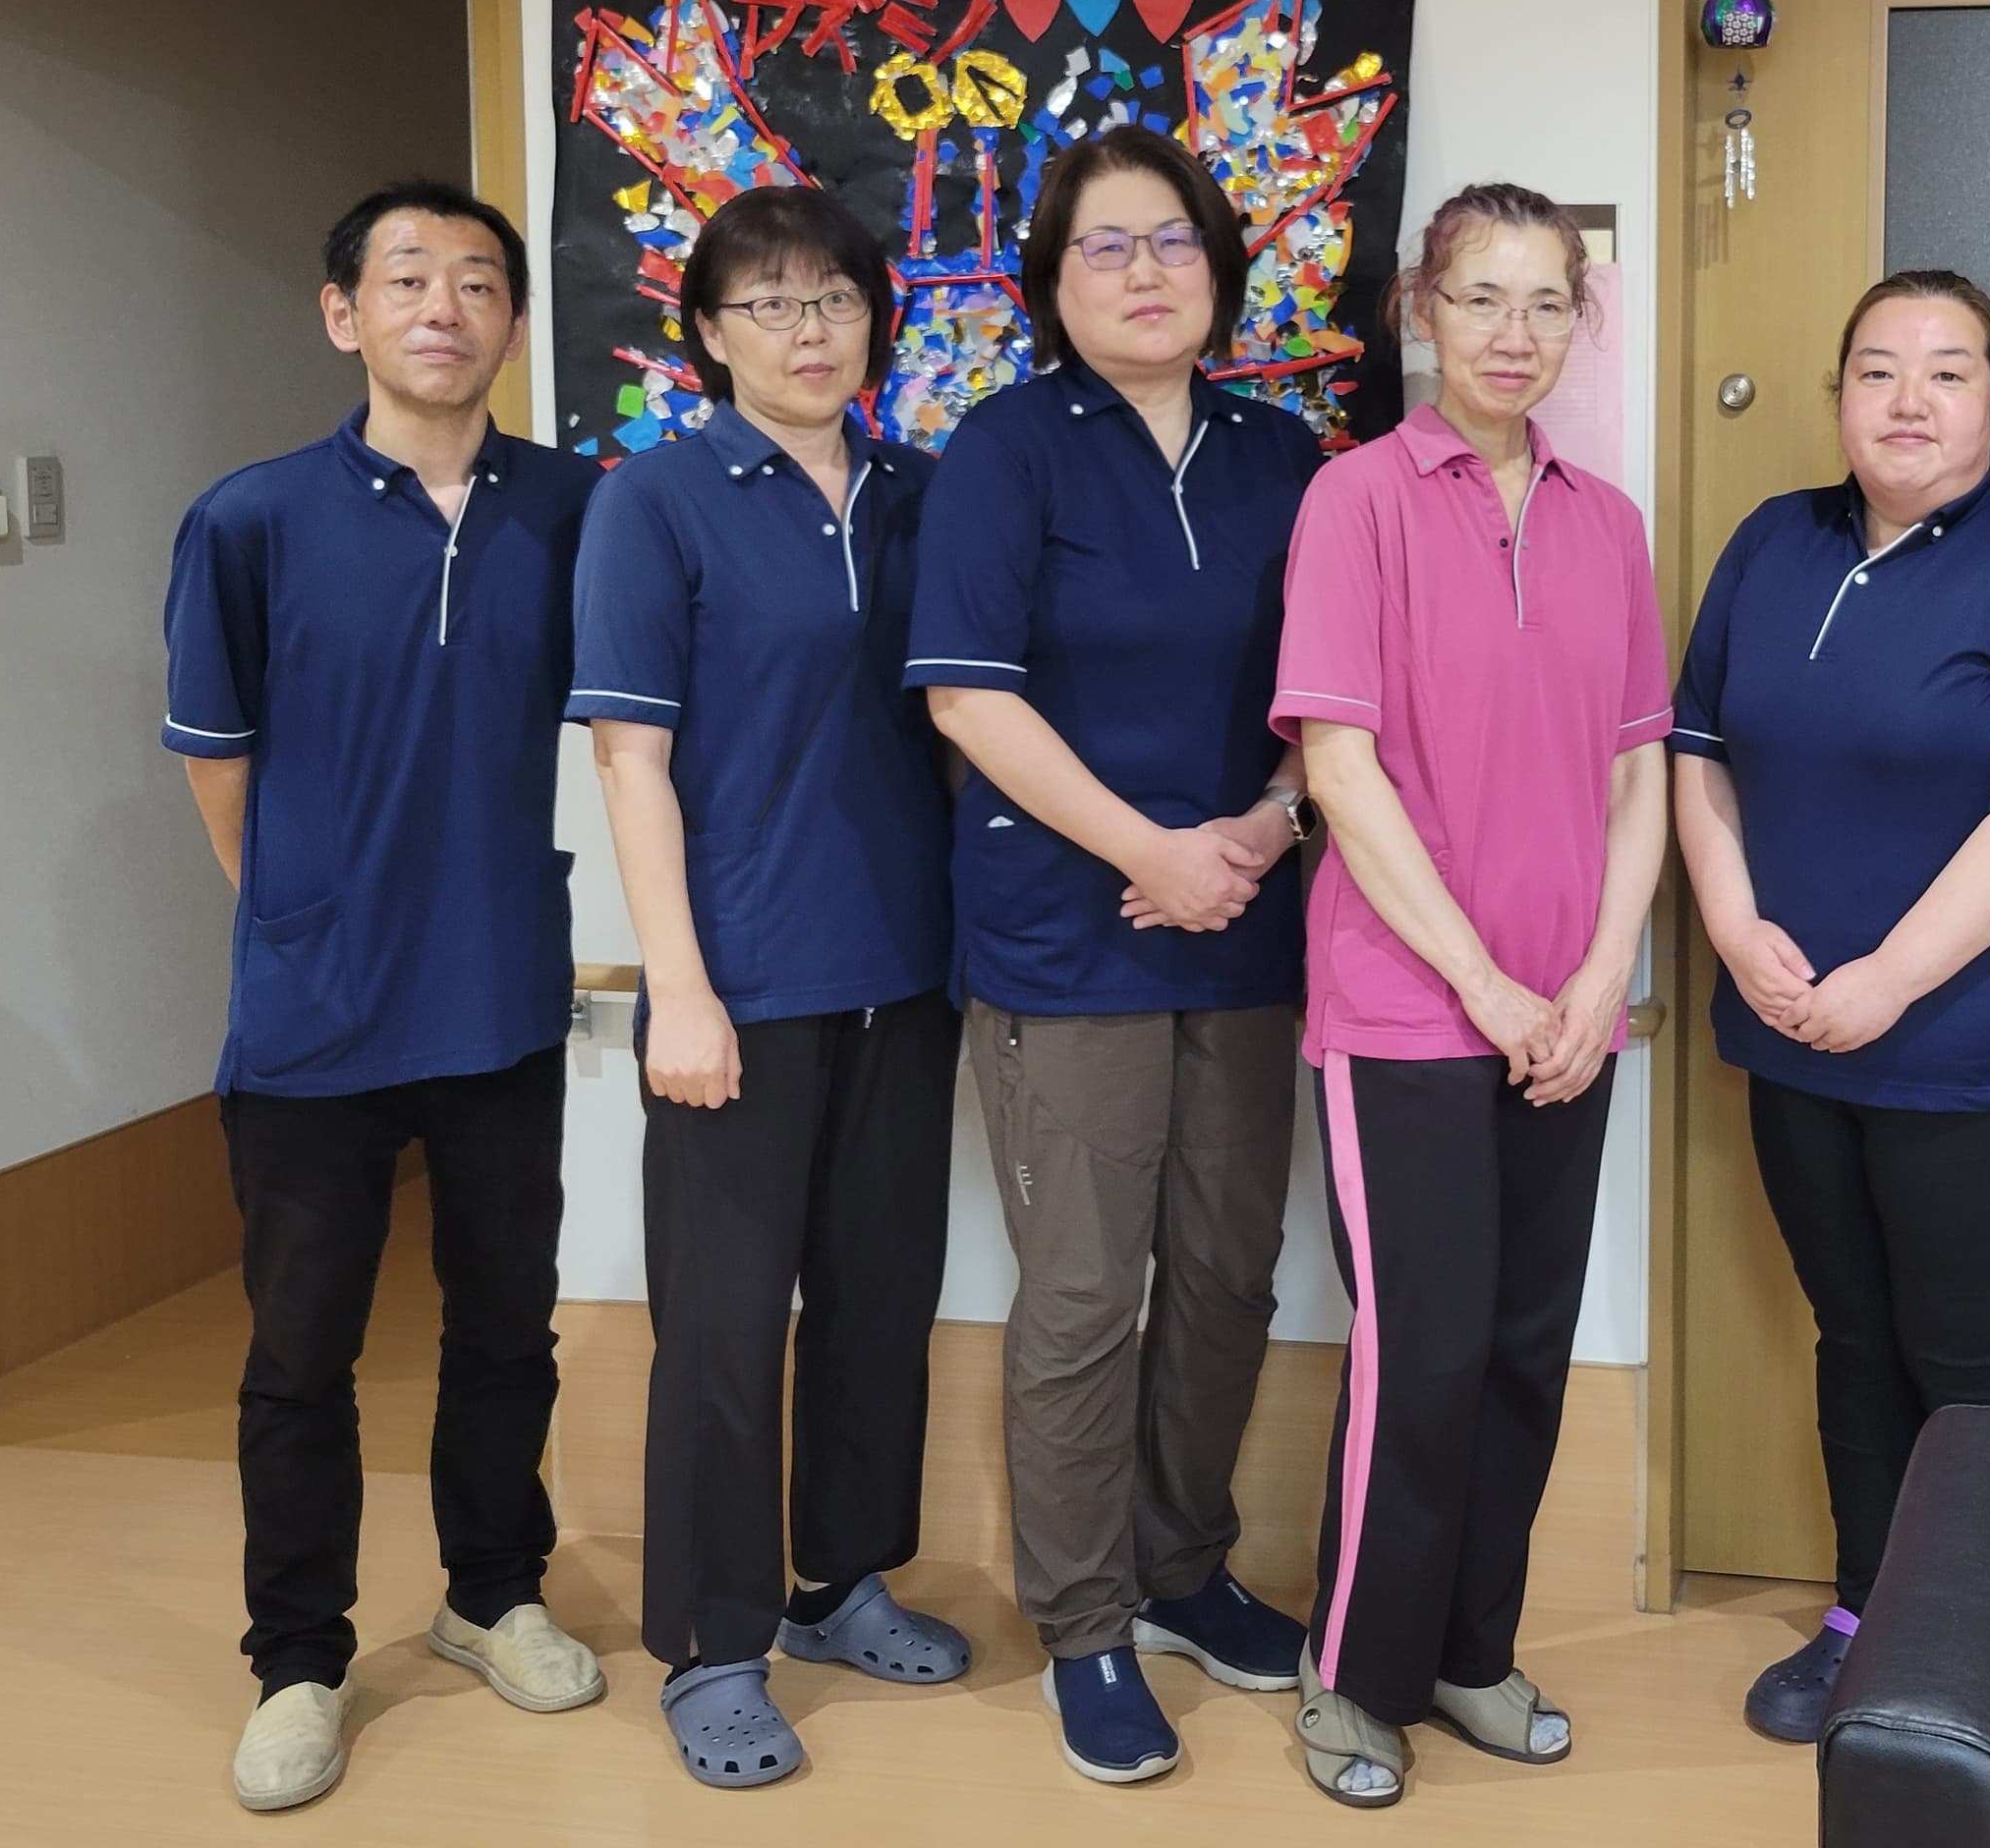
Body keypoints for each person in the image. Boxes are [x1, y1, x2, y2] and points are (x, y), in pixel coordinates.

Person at [162, 179, 606, 1813]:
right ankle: (298, 1661)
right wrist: (302, 916)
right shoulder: (251, 520)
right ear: (343, 314)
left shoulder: (579, 508)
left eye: (478, 282)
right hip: (316, 1009)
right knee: (302, 1350)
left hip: (499, 991)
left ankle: (493, 1592)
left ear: (512, 324)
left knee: (504, 1321)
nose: (445, 307)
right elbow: (218, 761)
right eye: (408, 278)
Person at [905, 129, 1328, 1785]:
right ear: (1050, 279)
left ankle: (1181, 1569)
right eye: (1107, 246)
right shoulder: (1006, 448)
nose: (1146, 273)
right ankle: (1083, 1624)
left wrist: (1267, 828)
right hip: (1067, 936)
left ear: (1219, 268)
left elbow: (1337, 688)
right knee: (1085, 1293)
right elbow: (968, 694)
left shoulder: (1285, 453)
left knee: (1227, 1271)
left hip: (1249, 920)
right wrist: (1151, 851)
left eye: (1173, 242)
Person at [1668, 269, 1990, 1745]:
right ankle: (1866, 1622)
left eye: (1947, 372)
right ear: (1839, 396)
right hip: (1793, 1030)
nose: (1909, 402)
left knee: (1974, 1361)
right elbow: (1696, 748)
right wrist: (1731, 923)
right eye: (1877, 370)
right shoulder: (1774, 542)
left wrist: (1890, 979)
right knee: (1854, 1339)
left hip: (1972, 1044)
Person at [1263, 183, 1671, 1809]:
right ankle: (1355, 1675)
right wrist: (1491, 987)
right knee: (1421, 1354)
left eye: (1548, 302)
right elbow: (1339, 769)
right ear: (1420, 313)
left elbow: (1639, 773)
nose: (1516, 333)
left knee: (1522, 1348)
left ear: (1580, 320)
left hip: (1570, 1016)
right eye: (1481, 298)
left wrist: (1601, 975)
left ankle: (1467, 1651)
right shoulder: (1356, 500)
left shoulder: (1608, 523)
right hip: (1409, 1011)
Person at [567, 182, 965, 1790]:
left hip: (909, 972)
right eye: (773, 303)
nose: (811, 331)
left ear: (879, 319)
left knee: (879, 1301)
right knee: (726, 1331)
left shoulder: (927, 493)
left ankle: (839, 1585)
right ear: (710, 333)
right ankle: (714, 1645)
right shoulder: (656, 502)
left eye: (838, 299)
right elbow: (629, 759)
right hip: (736, 981)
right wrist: (678, 987)